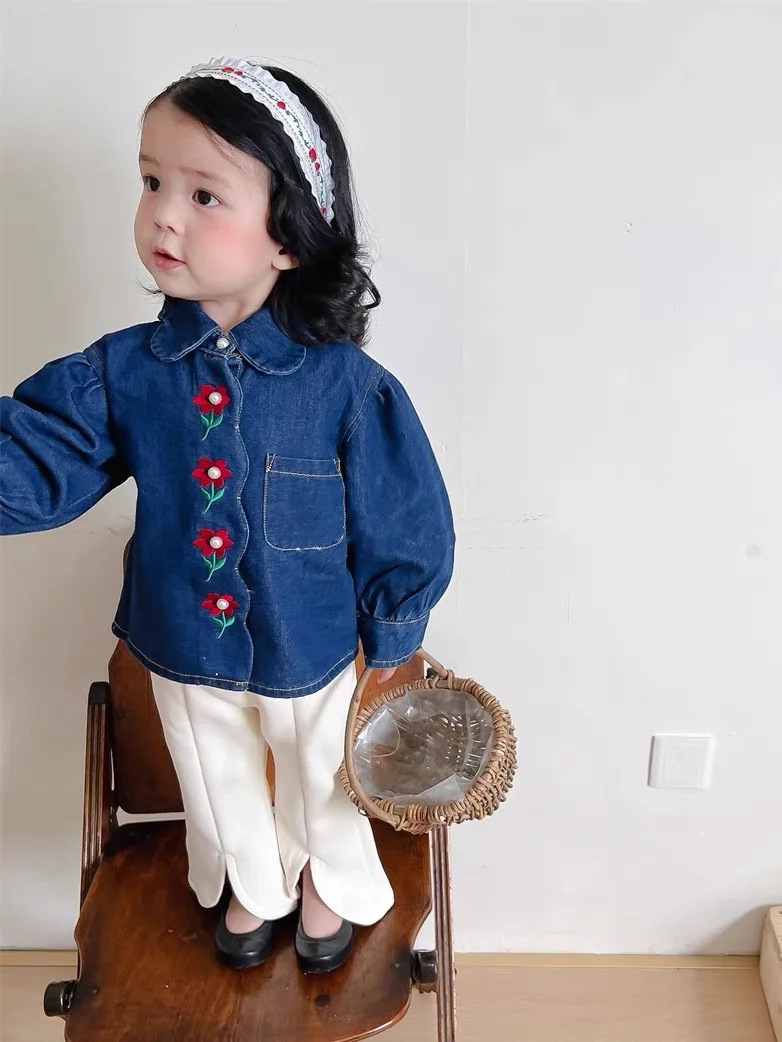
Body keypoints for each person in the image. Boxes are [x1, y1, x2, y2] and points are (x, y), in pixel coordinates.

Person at [0, 56, 455, 974]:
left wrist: (394, 638)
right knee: (214, 781)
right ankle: (253, 882)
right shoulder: (124, 371)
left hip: (309, 646)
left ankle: (332, 883)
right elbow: (41, 460)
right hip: (179, 638)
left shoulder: (346, 386)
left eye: (205, 194)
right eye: (151, 182)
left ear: (289, 235)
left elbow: (404, 516)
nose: (164, 214)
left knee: (321, 776)